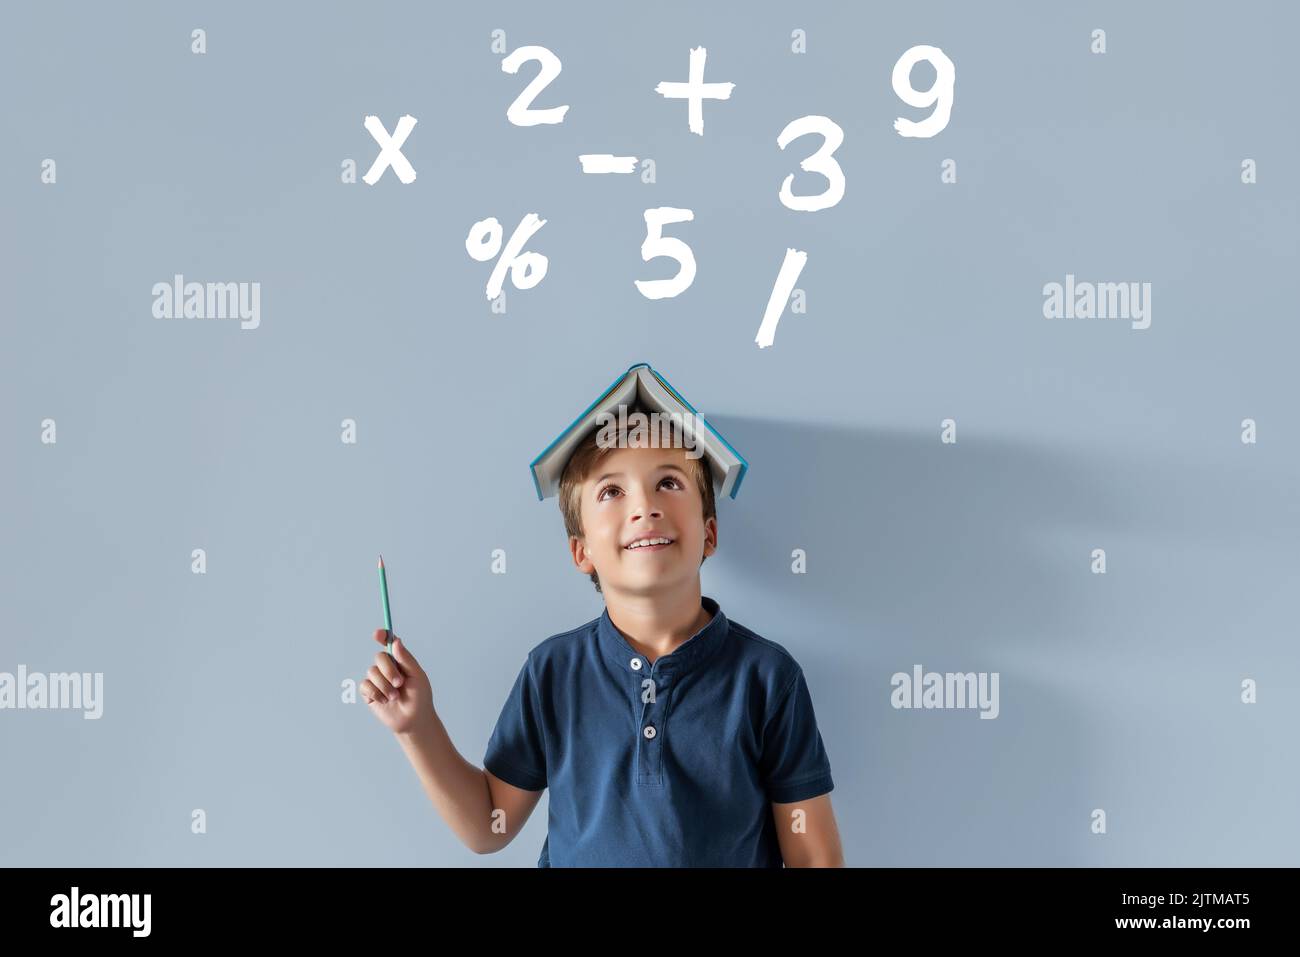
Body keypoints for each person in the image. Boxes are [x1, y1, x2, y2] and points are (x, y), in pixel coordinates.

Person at [361, 406, 843, 866]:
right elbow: (489, 826)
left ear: (709, 534)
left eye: (669, 483)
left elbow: (813, 855)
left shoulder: (768, 678)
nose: (645, 506)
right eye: (612, 492)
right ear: (581, 551)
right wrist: (416, 727)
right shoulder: (551, 672)